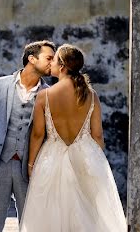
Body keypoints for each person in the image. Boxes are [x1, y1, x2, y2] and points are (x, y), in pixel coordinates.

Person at [19, 43, 126, 232]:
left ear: (61, 66)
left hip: (51, 159)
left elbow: (37, 135)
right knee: (88, 215)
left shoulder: (44, 96)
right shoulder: (91, 95)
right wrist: (95, 161)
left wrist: (30, 164)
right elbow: (98, 135)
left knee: (50, 214)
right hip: (86, 157)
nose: (50, 63)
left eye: (54, 59)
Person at [0, 40, 57, 232]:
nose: (53, 63)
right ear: (32, 59)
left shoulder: (49, 94)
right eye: (49, 58)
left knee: (32, 225)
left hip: (30, 168)